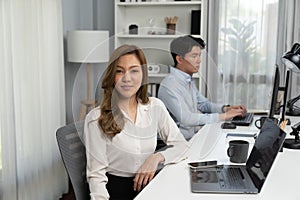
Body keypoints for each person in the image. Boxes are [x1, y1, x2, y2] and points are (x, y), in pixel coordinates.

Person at [83, 44, 189, 200]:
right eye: (120, 71)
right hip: (116, 191)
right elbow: (96, 176)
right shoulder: (96, 118)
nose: (127, 78)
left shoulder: (155, 106)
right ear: (112, 77)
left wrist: (157, 157)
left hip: (150, 185)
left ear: (143, 75)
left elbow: (182, 146)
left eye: (134, 70)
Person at [158, 35, 247, 140]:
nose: (199, 60)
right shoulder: (170, 85)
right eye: (194, 56)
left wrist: (226, 108)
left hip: (192, 137)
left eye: (199, 55)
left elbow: (203, 104)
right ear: (180, 59)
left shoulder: (187, 80)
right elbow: (186, 119)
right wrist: (223, 116)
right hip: (178, 143)